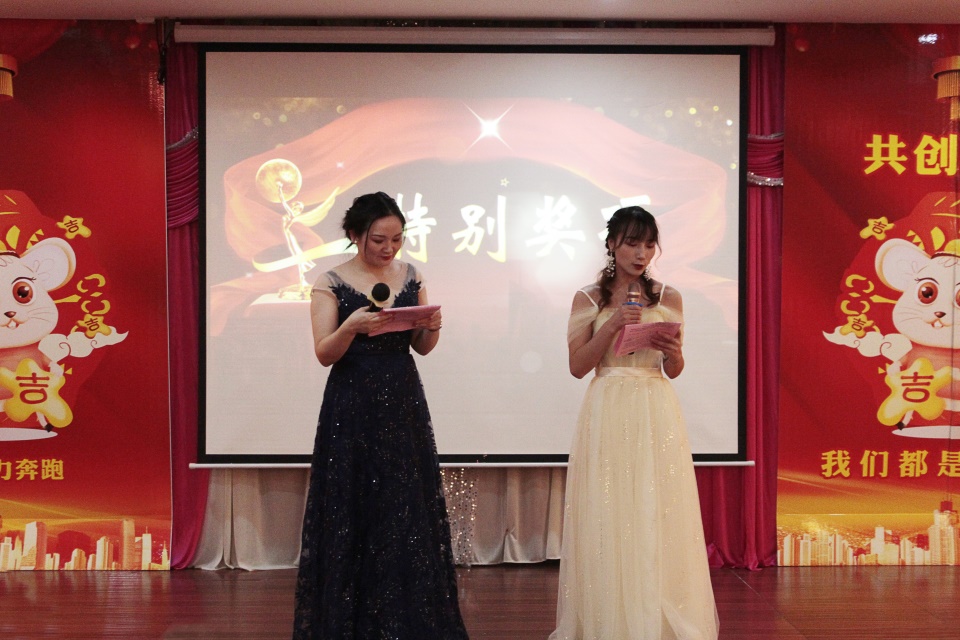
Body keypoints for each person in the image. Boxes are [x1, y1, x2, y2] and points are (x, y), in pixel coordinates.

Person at [293, 192, 469, 639]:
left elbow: (421, 348)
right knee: (354, 505)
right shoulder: (331, 282)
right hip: (351, 404)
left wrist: (431, 328)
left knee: (404, 506)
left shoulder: (412, 275)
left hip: (403, 400)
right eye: (378, 240)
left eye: (396, 239)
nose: (389, 248)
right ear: (355, 235)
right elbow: (324, 353)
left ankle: (405, 618)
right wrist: (351, 327)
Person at [550, 206, 719, 640]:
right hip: (608, 402)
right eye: (631, 243)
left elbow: (673, 369)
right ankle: (610, 617)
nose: (641, 253)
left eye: (648, 245)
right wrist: (612, 327)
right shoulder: (589, 298)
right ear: (611, 245)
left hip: (654, 404)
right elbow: (577, 366)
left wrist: (674, 353)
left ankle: (656, 615)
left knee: (656, 507)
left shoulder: (668, 297)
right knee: (609, 508)